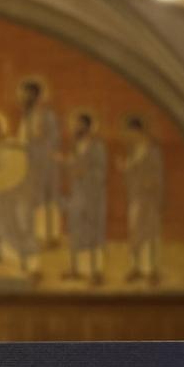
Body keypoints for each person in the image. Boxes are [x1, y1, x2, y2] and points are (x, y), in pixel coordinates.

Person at [0, 111, 38, 275]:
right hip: (2, 192)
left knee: (14, 226)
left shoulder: (9, 145)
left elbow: (15, 170)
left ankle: (27, 263)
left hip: (15, 192)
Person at [62, 112, 107, 285]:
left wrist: (84, 173)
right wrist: (66, 164)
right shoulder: (75, 146)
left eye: (79, 124)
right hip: (77, 194)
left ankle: (96, 272)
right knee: (75, 230)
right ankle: (76, 269)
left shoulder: (97, 147)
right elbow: (72, 167)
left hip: (93, 196)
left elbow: (101, 172)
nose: (75, 128)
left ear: (87, 127)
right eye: (75, 124)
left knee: (93, 232)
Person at [119, 116, 164, 286]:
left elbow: (157, 174)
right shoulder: (133, 150)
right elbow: (131, 173)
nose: (128, 136)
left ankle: (151, 270)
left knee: (150, 233)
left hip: (149, 198)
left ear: (137, 131)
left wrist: (150, 182)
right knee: (135, 232)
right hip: (136, 196)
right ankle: (136, 267)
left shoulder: (152, 150)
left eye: (130, 132)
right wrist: (125, 168)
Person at [17, 78, 60, 247]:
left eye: (26, 94)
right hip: (29, 163)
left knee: (45, 201)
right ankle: (35, 236)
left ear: (35, 96)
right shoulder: (27, 116)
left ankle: (49, 237)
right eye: (22, 94)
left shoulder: (46, 115)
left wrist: (38, 142)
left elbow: (53, 139)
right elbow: (23, 140)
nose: (23, 98)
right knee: (32, 200)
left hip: (43, 164)